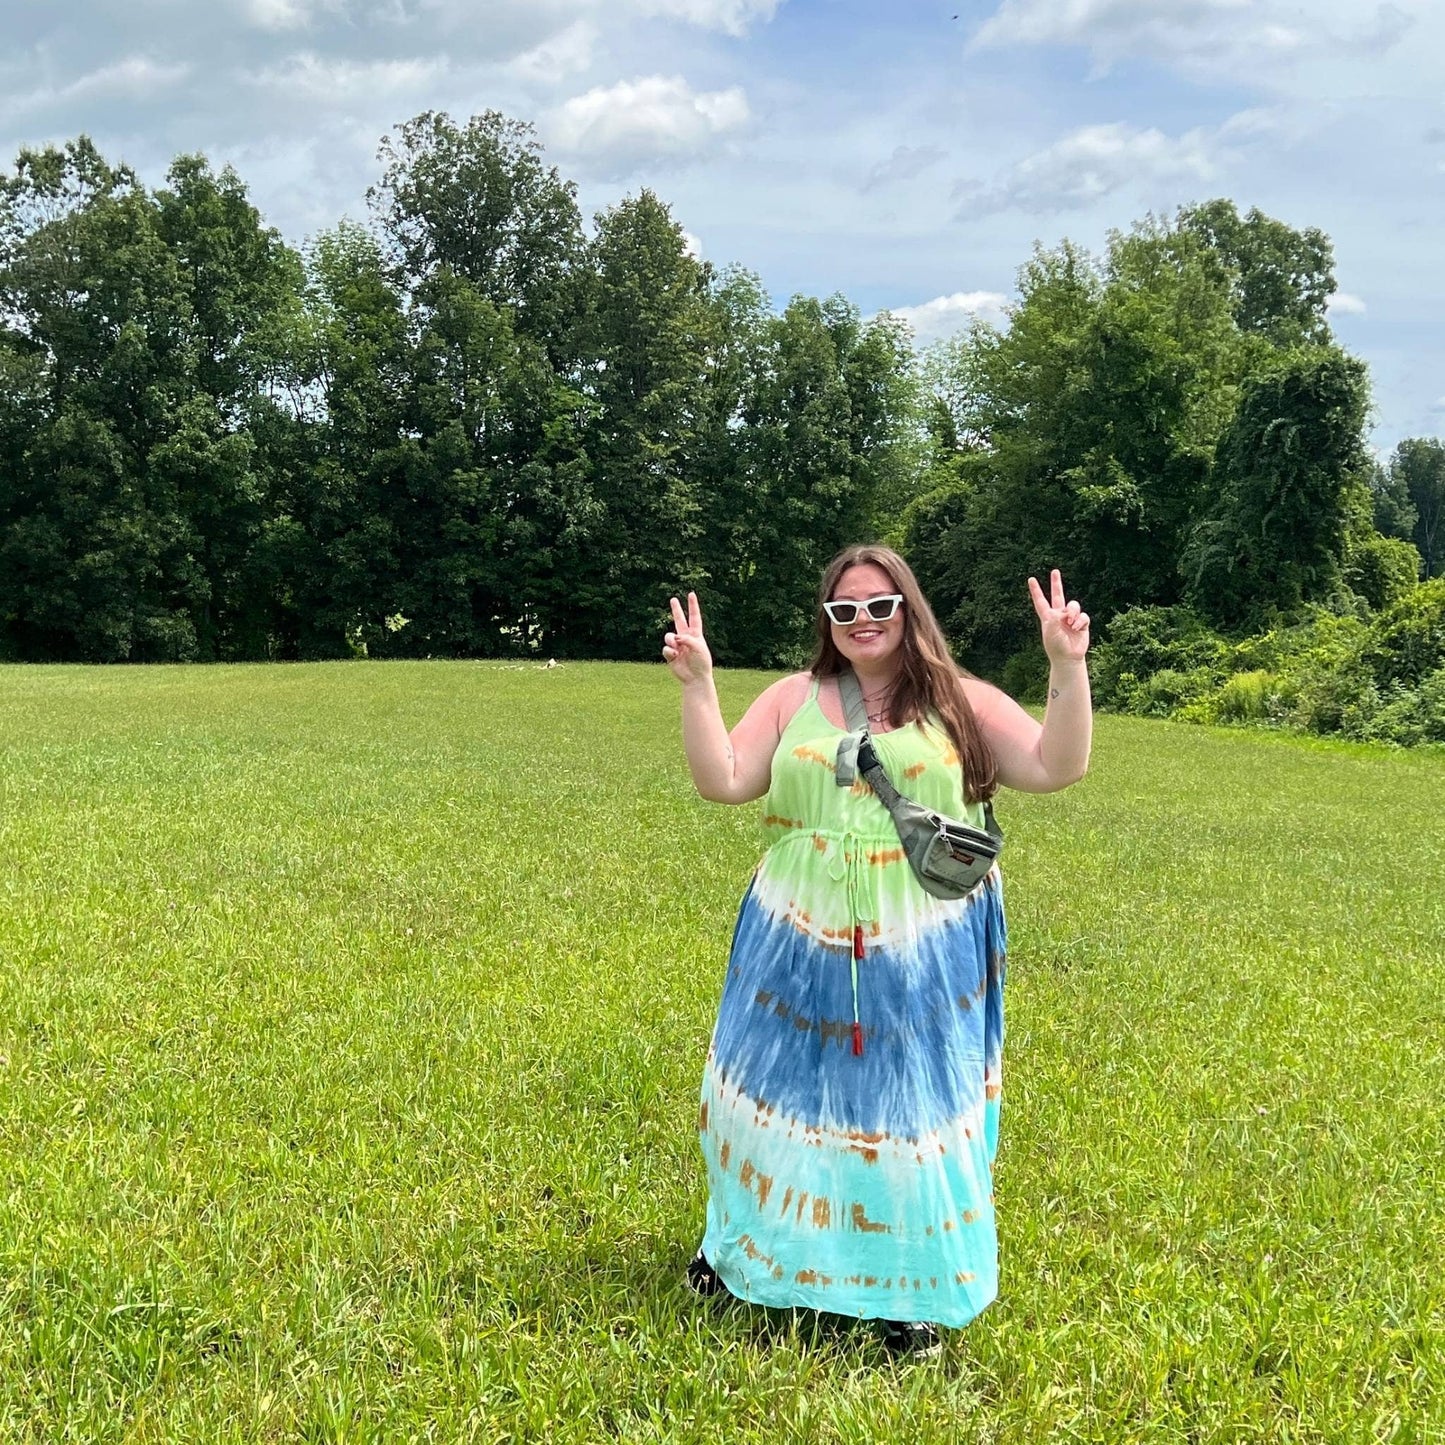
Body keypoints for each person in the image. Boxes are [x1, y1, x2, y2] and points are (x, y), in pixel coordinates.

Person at [661, 544, 1092, 1357]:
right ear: (827, 621)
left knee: (906, 1115)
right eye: (844, 609)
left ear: (908, 608)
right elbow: (722, 778)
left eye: (879, 605)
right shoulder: (794, 697)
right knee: (759, 1104)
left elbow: (1055, 763)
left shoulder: (958, 701)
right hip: (791, 936)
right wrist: (699, 687)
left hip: (920, 948)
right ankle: (740, 1254)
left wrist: (1066, 666)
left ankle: (908, 1291)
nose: (863, 621)